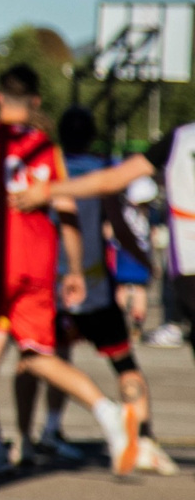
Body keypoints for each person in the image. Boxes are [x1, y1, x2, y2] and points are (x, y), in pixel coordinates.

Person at [0, 65, 137, 474]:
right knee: (36, 354)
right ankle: (105, 409)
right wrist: (76, 270)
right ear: (36, 101)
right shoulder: (46, 148)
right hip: (38, 262)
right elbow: (68, 214)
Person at [38, 106, 157, 467]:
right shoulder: (101, 172)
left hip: (52, 282)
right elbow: (120, 226)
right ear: (92, 136)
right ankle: (141, 438)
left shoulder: (48, 170)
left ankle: (46, 431)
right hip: (92, 284)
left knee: (47, 357)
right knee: (124, 362)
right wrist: (142, 259)